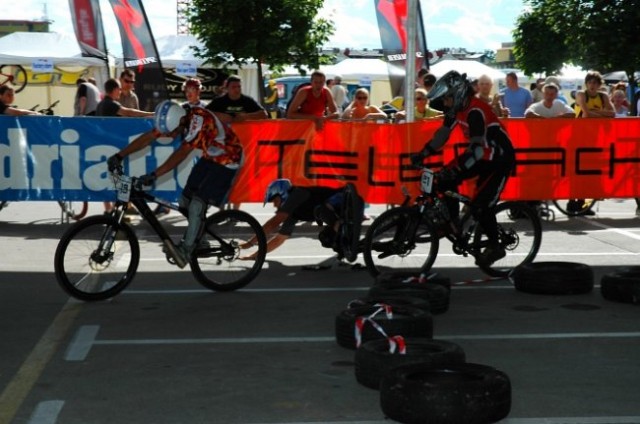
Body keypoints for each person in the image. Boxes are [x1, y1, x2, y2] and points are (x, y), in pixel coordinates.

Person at [107, 101, 244, 268]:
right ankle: (199, 240)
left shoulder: (199, 120)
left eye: (171, 133)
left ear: (179, 122)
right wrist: (119, 156)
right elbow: (148, 137)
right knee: (185, 200)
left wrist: (153, 175)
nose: (170, 136)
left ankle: (186, 250)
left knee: (197, 204)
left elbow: (181, 154)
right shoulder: (177, 117)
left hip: (230, 159)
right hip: (211, 157)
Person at [410, 70, 515, 266]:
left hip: (499, 159)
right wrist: (423, 153)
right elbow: (442, 135)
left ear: (457, 95)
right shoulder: (457, 109)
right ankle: (453, 224)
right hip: (481, 155)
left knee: (481, 206)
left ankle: (495, 246)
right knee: (443, 179)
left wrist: (456, 169)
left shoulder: (475, 111)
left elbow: (475, 150)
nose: (445, 104)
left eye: (446, 99)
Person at [246, 179, 364, 262]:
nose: (275, 205)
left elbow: (273, 223)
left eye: (275, 201)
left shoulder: (297, 194)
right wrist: (255, 255)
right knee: (327, 238)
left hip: (347, 200)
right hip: (337, 212)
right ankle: (353, 243)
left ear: (281, 193)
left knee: (320, 210)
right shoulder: (293, 212)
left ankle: (341, 226)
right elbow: (279, 238)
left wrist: (250, 243)